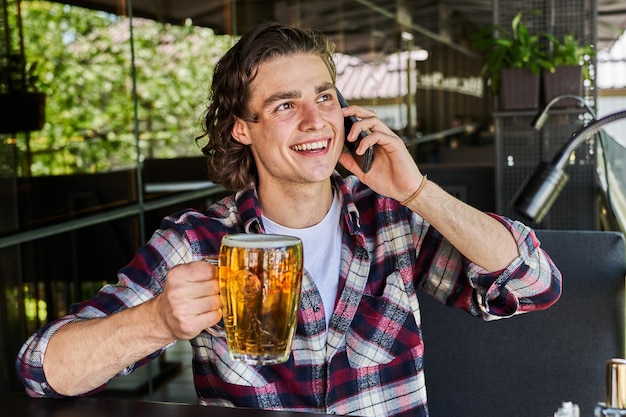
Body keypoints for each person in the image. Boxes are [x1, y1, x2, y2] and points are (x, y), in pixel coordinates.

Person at [16, 22, 562, 417]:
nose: (313, 119)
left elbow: (534, 284)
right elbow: (43, 371)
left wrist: (418, 191)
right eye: (283, 105)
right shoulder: (198, 241)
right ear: (241, 129)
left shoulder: (389, 220)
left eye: (324, 97)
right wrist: (157, 320)